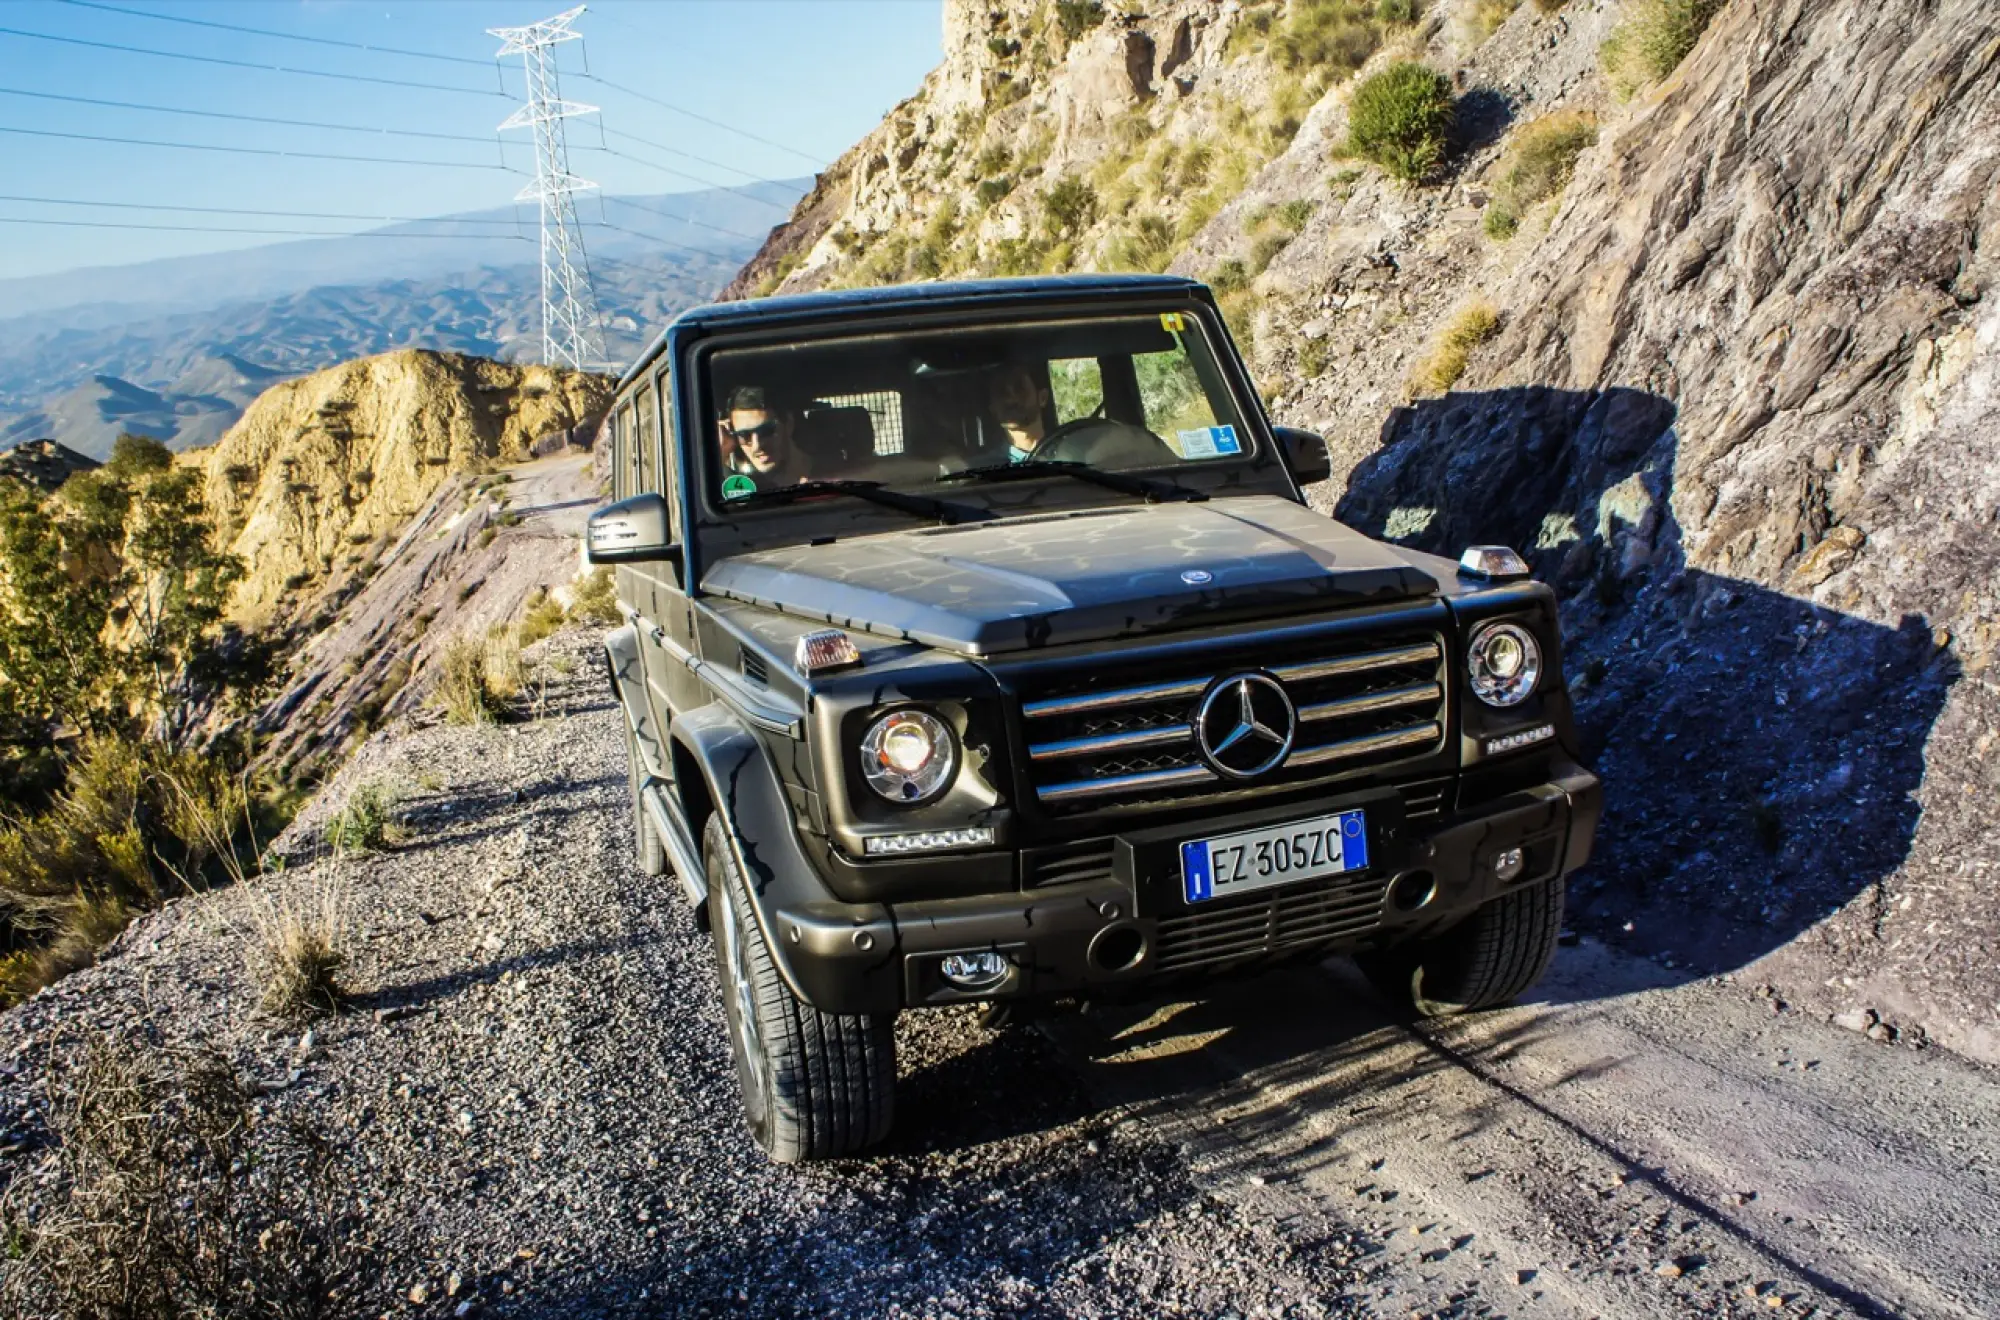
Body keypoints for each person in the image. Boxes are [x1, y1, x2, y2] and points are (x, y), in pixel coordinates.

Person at [720, 385, 812, 489]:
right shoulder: (743, 487)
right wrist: (721, 453)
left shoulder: (828, 475)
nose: (757, 446)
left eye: (766, 431)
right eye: (744, 435)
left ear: (789, 424)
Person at [985, 361, 1052, 464]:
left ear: (1042, 398)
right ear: (993, 409)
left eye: (1020, 388)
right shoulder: (984, 469)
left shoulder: (1071, 454)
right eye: (1001, 391)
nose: (1010, 398)